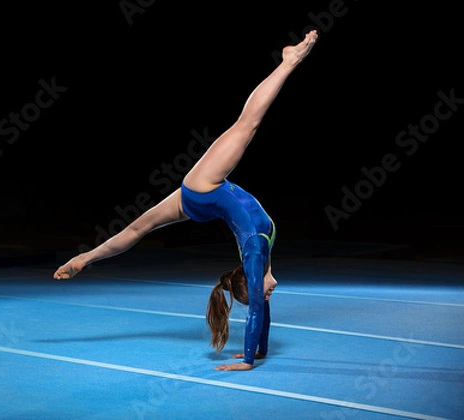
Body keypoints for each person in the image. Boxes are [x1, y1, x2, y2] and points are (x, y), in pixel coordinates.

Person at [54, 30, 319, 371]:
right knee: (138, 229)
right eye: (262, 293)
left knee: (247, 125)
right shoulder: (262, 257)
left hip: (204, 187)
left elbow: (256, 308)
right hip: (203, 202)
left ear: (245, 280)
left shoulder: (256, 254)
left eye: (257, 292)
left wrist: (249, 360)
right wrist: (260, 352)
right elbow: (260, 308)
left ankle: (289, 61)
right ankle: (85, 258)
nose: (266, 296)